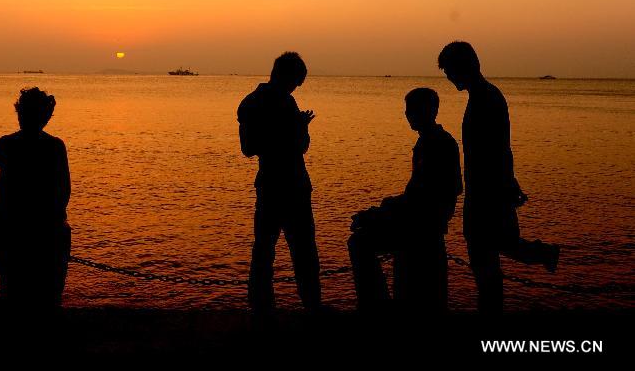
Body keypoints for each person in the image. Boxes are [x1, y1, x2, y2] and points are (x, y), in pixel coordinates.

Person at [438, 41, 560, 313]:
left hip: (486, 193)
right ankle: (543, 254)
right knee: (499, 247)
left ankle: (541, 256)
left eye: (449, 70)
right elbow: (501, 148)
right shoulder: (483, 96)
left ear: (463, 67)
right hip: (484, 190)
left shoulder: (486, 98)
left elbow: (498, 148)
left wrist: (507, 183)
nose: (448, 77)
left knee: (485, 261)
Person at [348, 88, 462, 312]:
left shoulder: (437, 144)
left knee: (359, 242)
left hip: (422, 224)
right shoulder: (430, 143)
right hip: (420, 218)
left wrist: (380, 212)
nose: (408, 115)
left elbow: (423, 198)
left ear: (430, 111)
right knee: (363, 232)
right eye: (407, 110)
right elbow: (418, 195)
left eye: (412, 110)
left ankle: (376, 306)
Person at [237, 51, 321, 312]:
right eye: (295, 82)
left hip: (279, 184)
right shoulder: (267, 104)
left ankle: (269, 306)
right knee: (291, 250)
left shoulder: (258, 103)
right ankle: (302, 306)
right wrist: (296, 128)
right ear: (285, 76)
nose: (296, 88)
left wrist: (298, 128)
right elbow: (253, 147)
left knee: (274, 250)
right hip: (284, 185)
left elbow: (254, 147)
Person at [0, 87, 71, 311]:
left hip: (8, 224)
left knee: (11, 287)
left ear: (20, 113)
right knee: (48, 291)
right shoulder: (55, 146)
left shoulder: (7, 143)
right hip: (46, 226)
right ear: (46, 117)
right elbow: (64, 190)